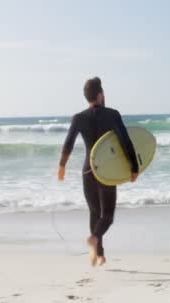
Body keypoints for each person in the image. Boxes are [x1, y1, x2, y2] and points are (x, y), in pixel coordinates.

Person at [58, 76, 139, 266]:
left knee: (94, 212)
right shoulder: (112, 114)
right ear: (101, 94)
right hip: (106, 172)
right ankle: (94, 239)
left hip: (88, 170)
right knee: (107, 216)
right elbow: (125, 142)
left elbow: (68, 144)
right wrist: (134, 167)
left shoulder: (78, 118)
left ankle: (99, 254)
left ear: (87, 97)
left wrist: (62, 166)